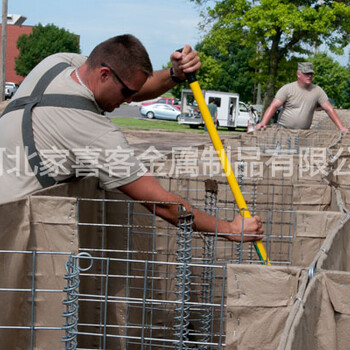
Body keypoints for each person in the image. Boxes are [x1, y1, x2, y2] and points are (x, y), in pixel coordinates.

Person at [0, 34, 263, 242]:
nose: (130, 100)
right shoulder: (94, 132)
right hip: (12, 227)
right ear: (103, 74)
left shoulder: (56, 63)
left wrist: (174, 75)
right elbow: (162, 204)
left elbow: (133, 85)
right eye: (126, 93)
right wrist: (229, 228)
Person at [255, 62, 348, 132]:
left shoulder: (317, 91)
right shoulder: (287, 89)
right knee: (283, 156)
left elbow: (329, 109)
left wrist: (341, 127)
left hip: (304, 133)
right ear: (298, 74)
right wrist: (263, 123)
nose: (309, 76)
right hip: (284, 131)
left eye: (311, 74)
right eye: (306, 74)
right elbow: (274, 106)